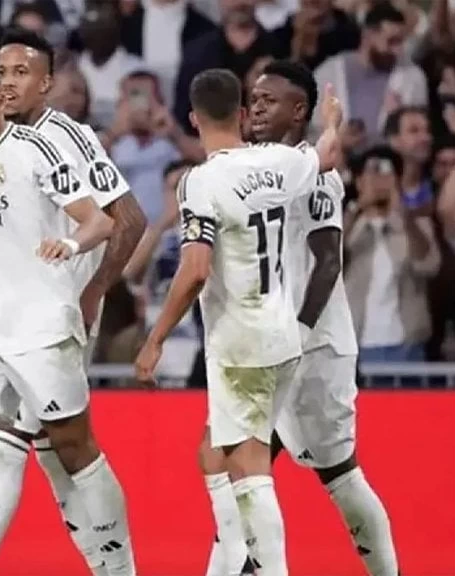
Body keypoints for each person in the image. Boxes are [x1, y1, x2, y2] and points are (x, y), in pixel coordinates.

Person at [0, 29, 147, 576]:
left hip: (53, 314)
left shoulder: (65, 135)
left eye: (21, 73)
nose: (8, 83)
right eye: (1, 72)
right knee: (38, 451)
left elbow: (129, 218)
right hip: (4, 319)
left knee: (29, 447)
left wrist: (91, 293)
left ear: (46, 83)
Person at [134, 68, 343, 575]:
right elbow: (326, 153)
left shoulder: (200, 182)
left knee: (249, 472)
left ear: (193, 119)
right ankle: (227, 564)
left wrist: (156, 339)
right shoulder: (279, 162)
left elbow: (195, 269)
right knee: (213, 453)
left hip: (241, 343)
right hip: (283, 337)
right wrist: (333, 121)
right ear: (244, 114)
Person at [236, 59, 398, 575]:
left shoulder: (317, 174)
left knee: (339, 475)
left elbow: (328, 261)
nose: (257, 107)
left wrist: (298, 333)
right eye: (253, 99)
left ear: (299, 110)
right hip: (268, 347)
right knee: (240, 473)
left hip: (315, 350)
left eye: (269, 100)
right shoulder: (254, 171)